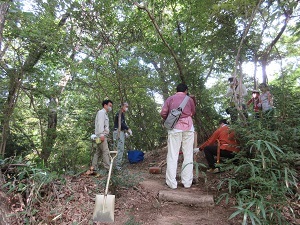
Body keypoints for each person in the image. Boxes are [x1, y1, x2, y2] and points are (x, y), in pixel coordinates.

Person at [160, 83, 196, 189]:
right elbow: (193, 112)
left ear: (176, 90)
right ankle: (187, 182)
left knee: (172, 155)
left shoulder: (170, 99)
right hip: (189, 128)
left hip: (175, 128)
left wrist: (171, 118)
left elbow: (163, 113)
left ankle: (172, 183)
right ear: (186, 90)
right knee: (188, 155)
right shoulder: (189, 99)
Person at [91, 99, 113, 171]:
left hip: (100, 136)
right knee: (105, 151)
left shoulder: (105, 114)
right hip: (101, 135)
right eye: (109, 105)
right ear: (105, 105)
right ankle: (108, 169)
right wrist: (101, 135)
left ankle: (93, 167)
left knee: (98, 152)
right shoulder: (101, 112)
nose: (110, 107)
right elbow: (100, 124)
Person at [113, 102, 132, 170]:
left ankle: (117, 165)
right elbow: (120, 123)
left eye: (127, 106)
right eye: (126, 106)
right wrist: (128, 129)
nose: (127, 108)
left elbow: (121, 124)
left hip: (120, 132)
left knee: (120, 148)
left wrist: (125, 132)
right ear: (122, 106)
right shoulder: (119, 114)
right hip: (118, 132)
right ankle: (117, 166)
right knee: (119, 149)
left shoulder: (122, 114)